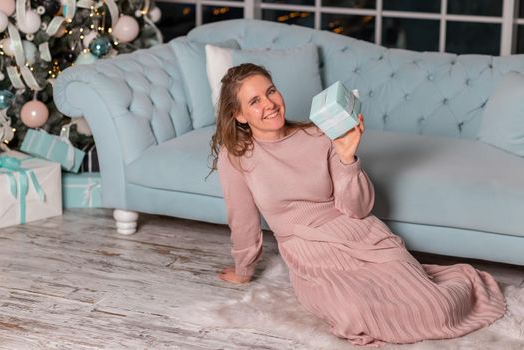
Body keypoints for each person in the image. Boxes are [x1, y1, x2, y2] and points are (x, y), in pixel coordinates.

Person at [208, 63, 506, 347]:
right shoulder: (235, 157)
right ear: (240, 115)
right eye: (255, 101)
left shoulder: (319, 134)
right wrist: (243, 270)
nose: (269, 104)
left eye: (271, 91)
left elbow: (358, 209)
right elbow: (243, 220)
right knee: (353, 312)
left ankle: (445, 288)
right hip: (308, 252)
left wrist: (348, 158)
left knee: (436, 307)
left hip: (359, 234)